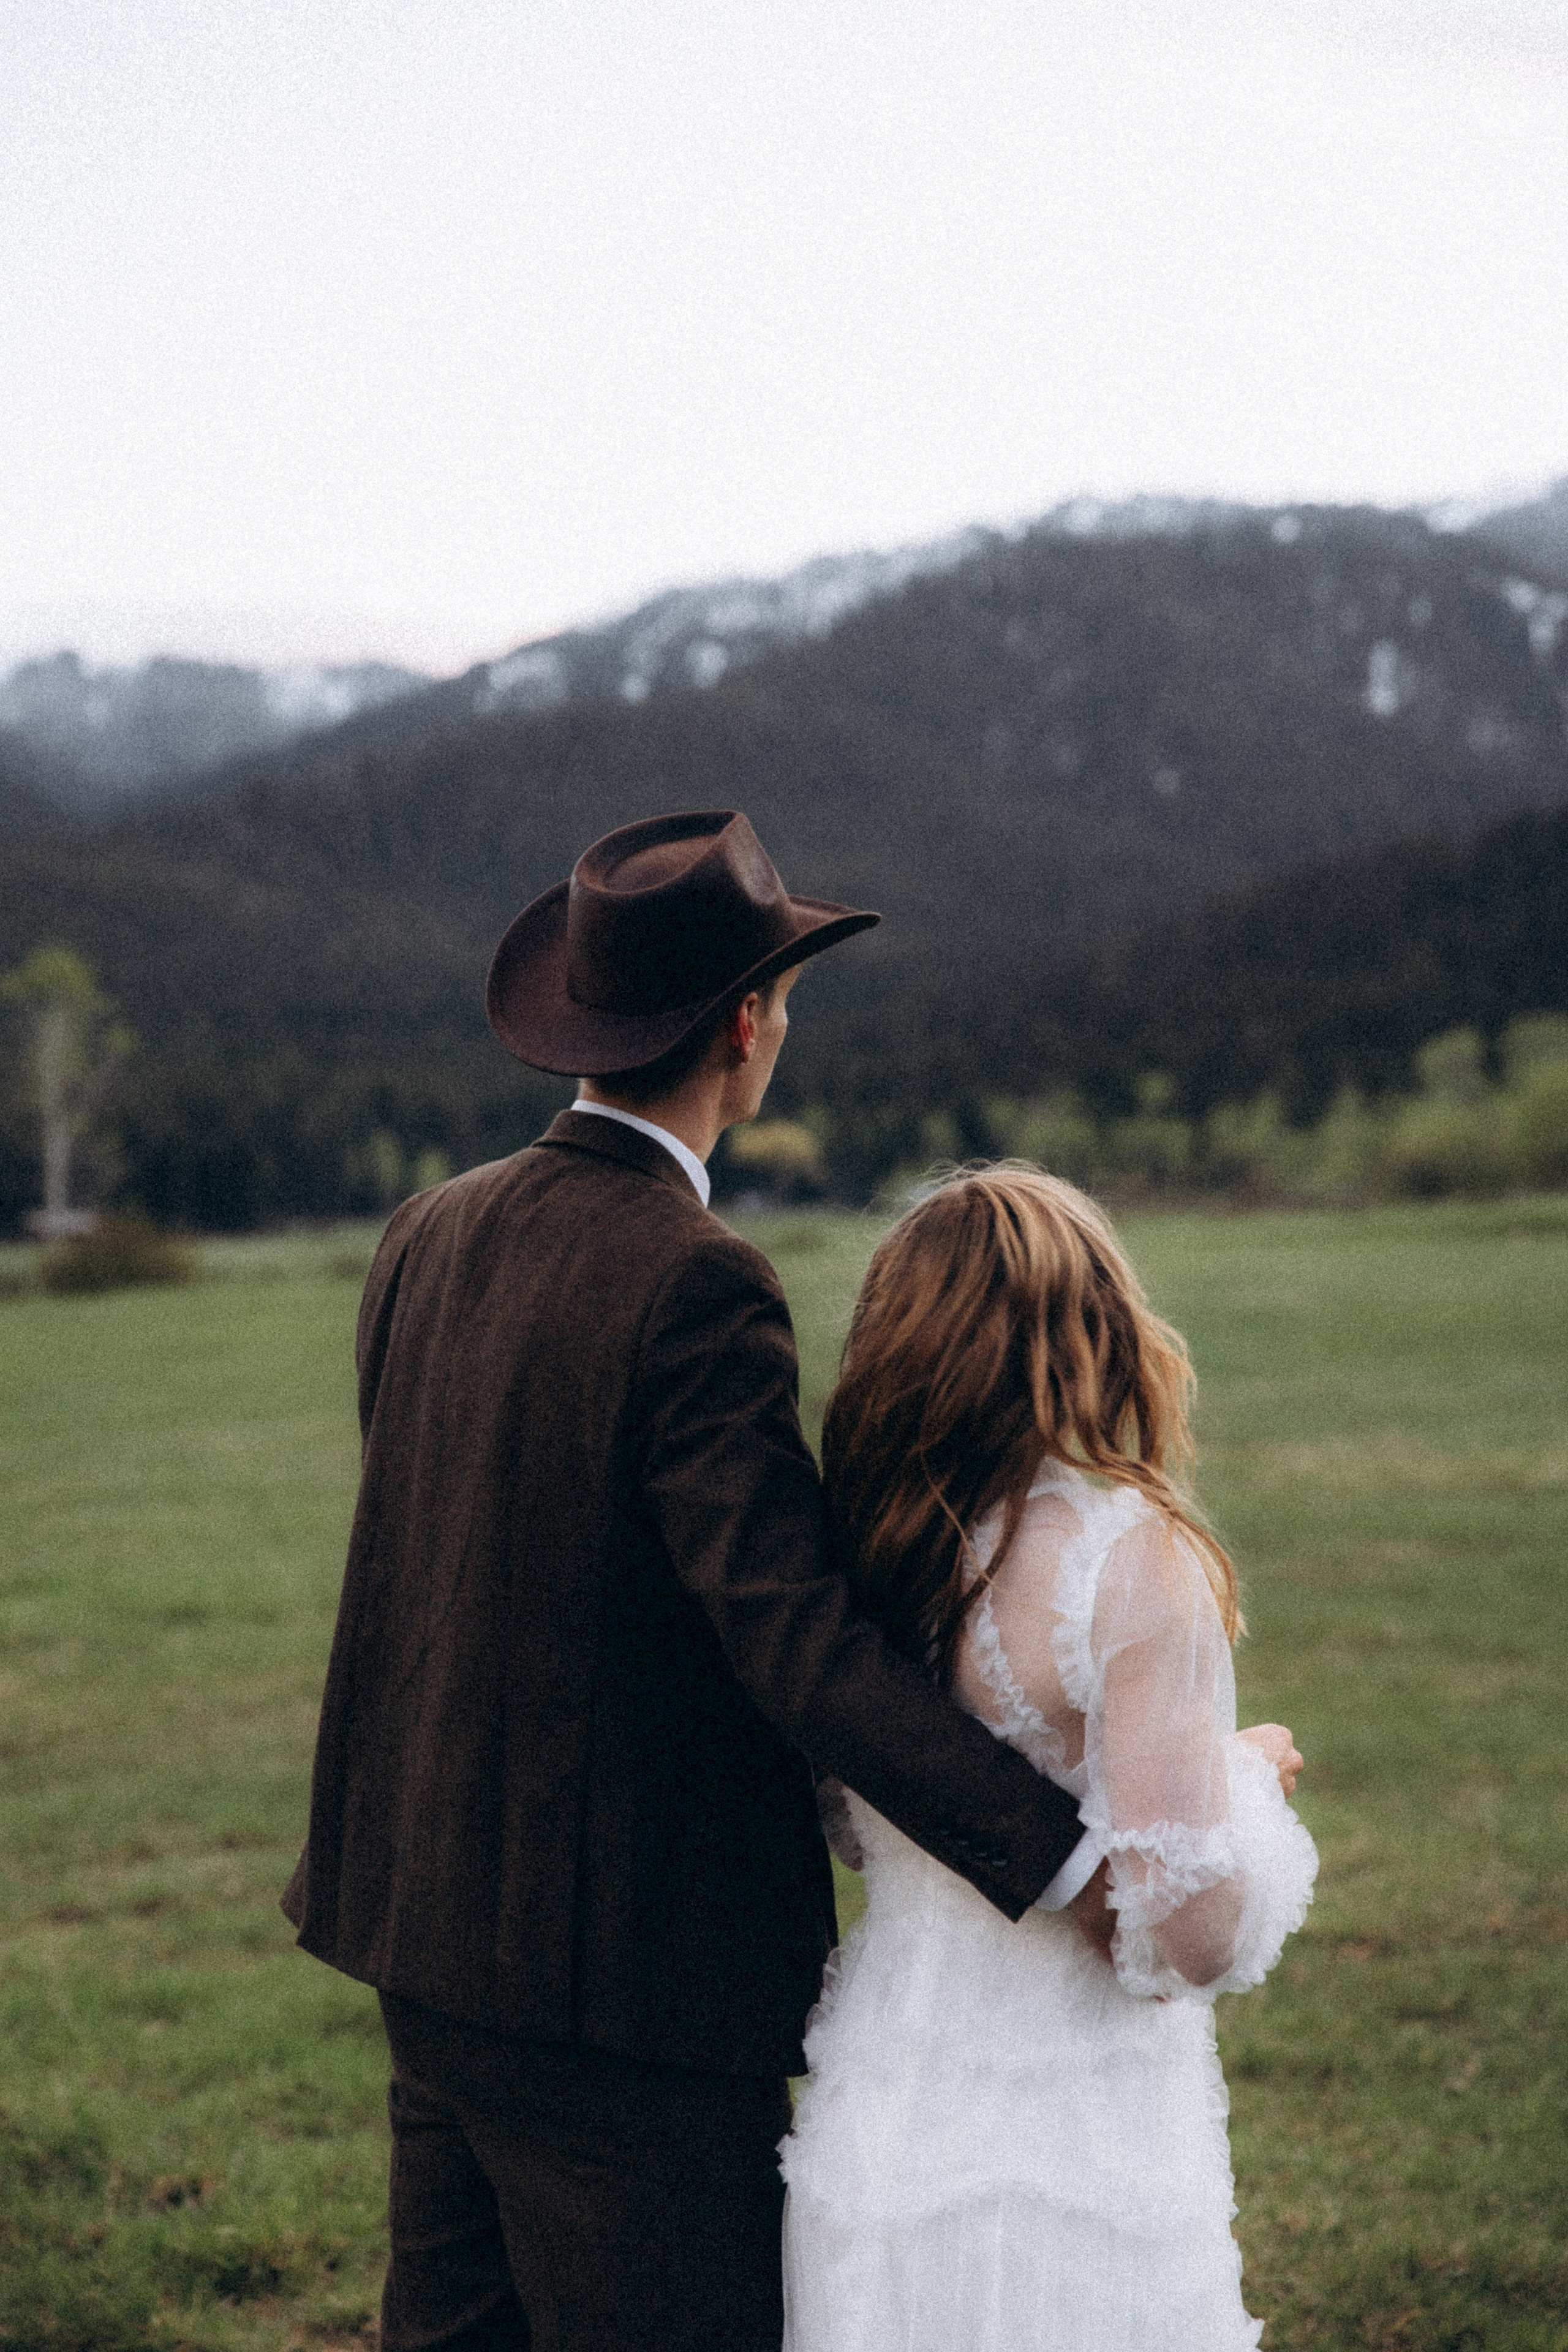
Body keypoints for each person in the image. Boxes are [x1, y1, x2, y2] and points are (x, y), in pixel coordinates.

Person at [283, 812, 1112, 2352]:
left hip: (419, 1930)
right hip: (626, 1996)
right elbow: (788, 1637)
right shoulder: (693, 1277)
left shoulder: (426, 1230)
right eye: (781, 1002)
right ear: (746, 1025)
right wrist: (1062, 1857)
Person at [780, 1164, 1318, 2352]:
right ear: (1095, 1332)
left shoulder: (860, 1555)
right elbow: (1187, 1932)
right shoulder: (1129, 1561)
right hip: (1074, 2130)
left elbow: (851, 1818)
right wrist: (1241, 1784)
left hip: (876, 2116)